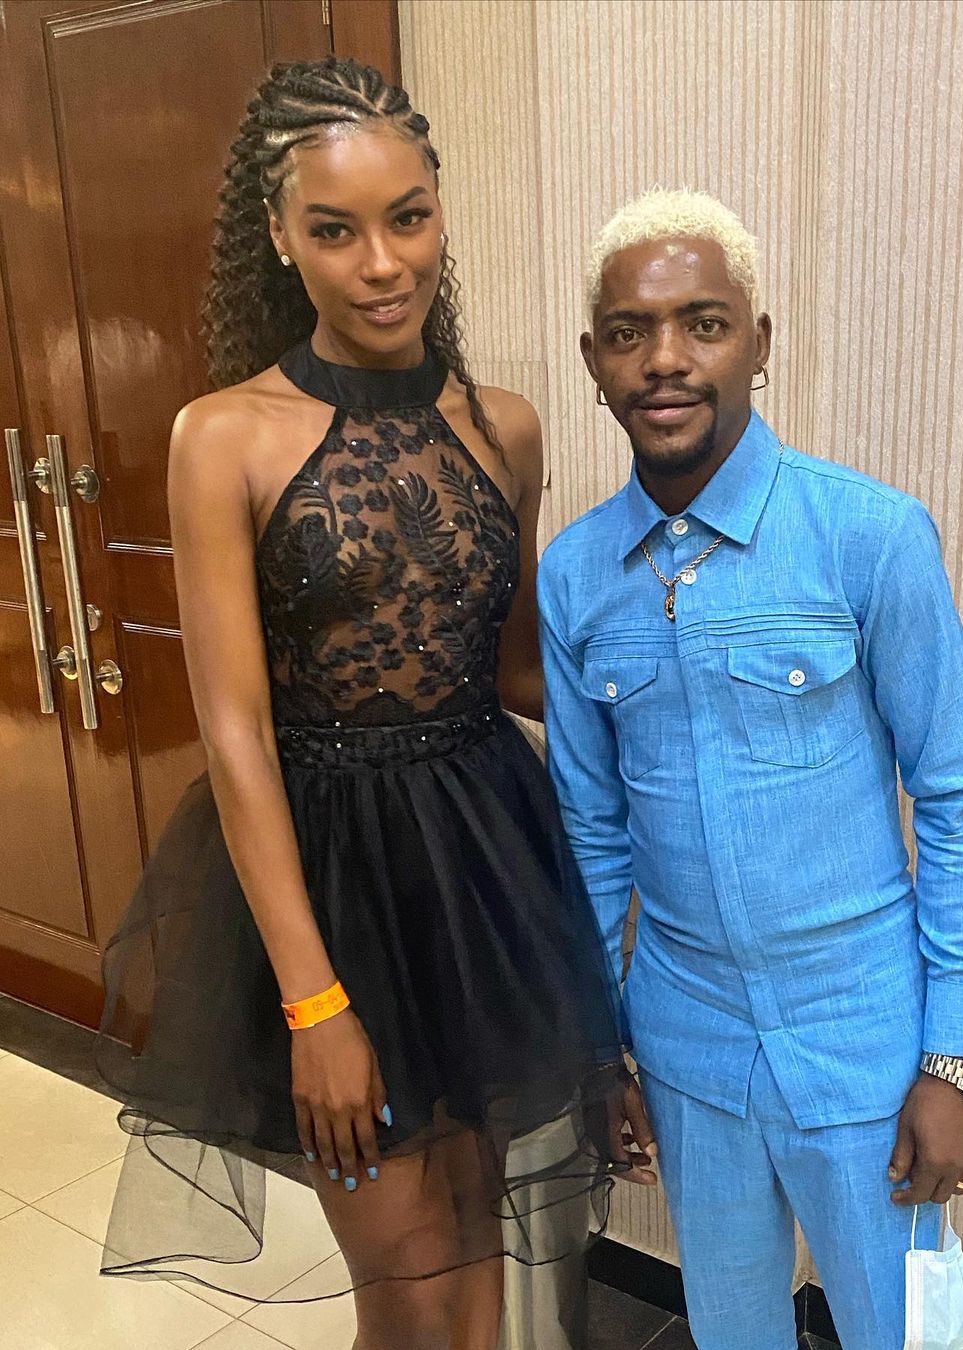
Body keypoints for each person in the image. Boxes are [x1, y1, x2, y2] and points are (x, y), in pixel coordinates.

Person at [95, 59, 653, 1350]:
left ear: (440, 210)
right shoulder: (222, 436)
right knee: (405, 1298)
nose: (383, 263)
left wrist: (668, 711)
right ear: (280, 236)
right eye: (336, 230)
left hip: (485, 868)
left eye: (407, 217)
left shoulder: (504, 426)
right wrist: (315, 1003)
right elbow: (235, 728)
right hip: (333, 883)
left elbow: (511, 667)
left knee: (476, 1276)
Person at [537, 189, 963, 1350]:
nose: (666, 360)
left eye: (704, 324)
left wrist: (954, 1063)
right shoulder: (575, 575)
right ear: (594, 362)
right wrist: (604, 1051)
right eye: (630, 332)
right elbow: (591, 834)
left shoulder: (869, 535)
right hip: (685, 1034)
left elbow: (959, 796)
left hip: (862, 1028)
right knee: (732, 1327)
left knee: (900, 1331)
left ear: (758, 342)